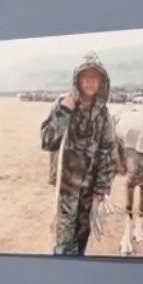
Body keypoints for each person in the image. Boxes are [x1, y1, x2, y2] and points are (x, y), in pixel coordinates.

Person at [40, 51, 117, 255]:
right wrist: (64, 111)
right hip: (66, 190)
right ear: (78, 79)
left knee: (82, 241)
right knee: (65, 244)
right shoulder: (62, 104)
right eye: (86, 77)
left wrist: (101, 189)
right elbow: (47, 141)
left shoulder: (103, 113)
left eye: (95, 77)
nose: (91, 82)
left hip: (89, 193)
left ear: (102, 81)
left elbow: (108, 152)